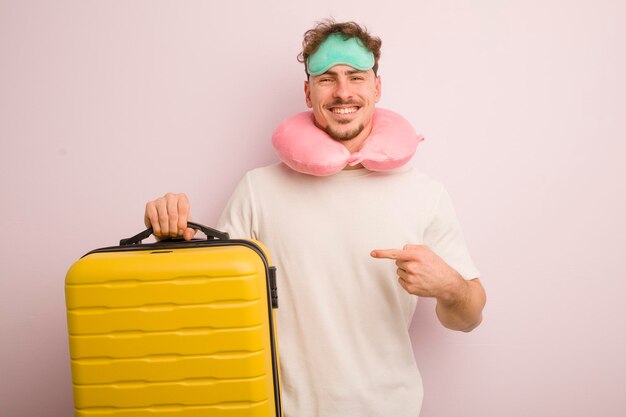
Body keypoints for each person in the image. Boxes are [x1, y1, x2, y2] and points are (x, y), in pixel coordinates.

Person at [144, 19, 486, 417]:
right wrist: (170, 237)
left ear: (377, 87)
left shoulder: (425, 193)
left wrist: (450, 287)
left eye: (356, 77)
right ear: (308, 93)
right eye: (326, 78)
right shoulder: (258, 189)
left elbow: (469, 317)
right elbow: (210, 306)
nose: (343, 91)